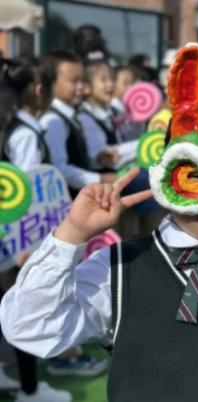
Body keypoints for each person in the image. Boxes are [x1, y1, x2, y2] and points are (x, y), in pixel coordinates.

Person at [0, 43, 198, 401]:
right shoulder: (120, 268)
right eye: (196, 177)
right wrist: (71, 236)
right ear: (167, 169)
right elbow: (29, 327)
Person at [0, 55, 72, 402]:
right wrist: (24, 242)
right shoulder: (25, 135)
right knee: (20, 308)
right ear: (40, 88)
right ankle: (30, 389)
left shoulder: (19, 128)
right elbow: (25, 195)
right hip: (16, 241)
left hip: (12, 239)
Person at [39, 50, 115, 197]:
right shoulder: (53, 121)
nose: (80, 87)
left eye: (82, 81)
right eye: (73, 81)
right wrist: (100, 179)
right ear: (52, 82)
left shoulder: (71, 115)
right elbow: (59, 168)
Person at [78, 59, 136, 171]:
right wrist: (141, 145)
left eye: (112, 79)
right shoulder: (85, 117)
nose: (110, 84)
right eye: (103, 80)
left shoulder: (114, 111)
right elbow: (101, 157)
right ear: (87, 87)